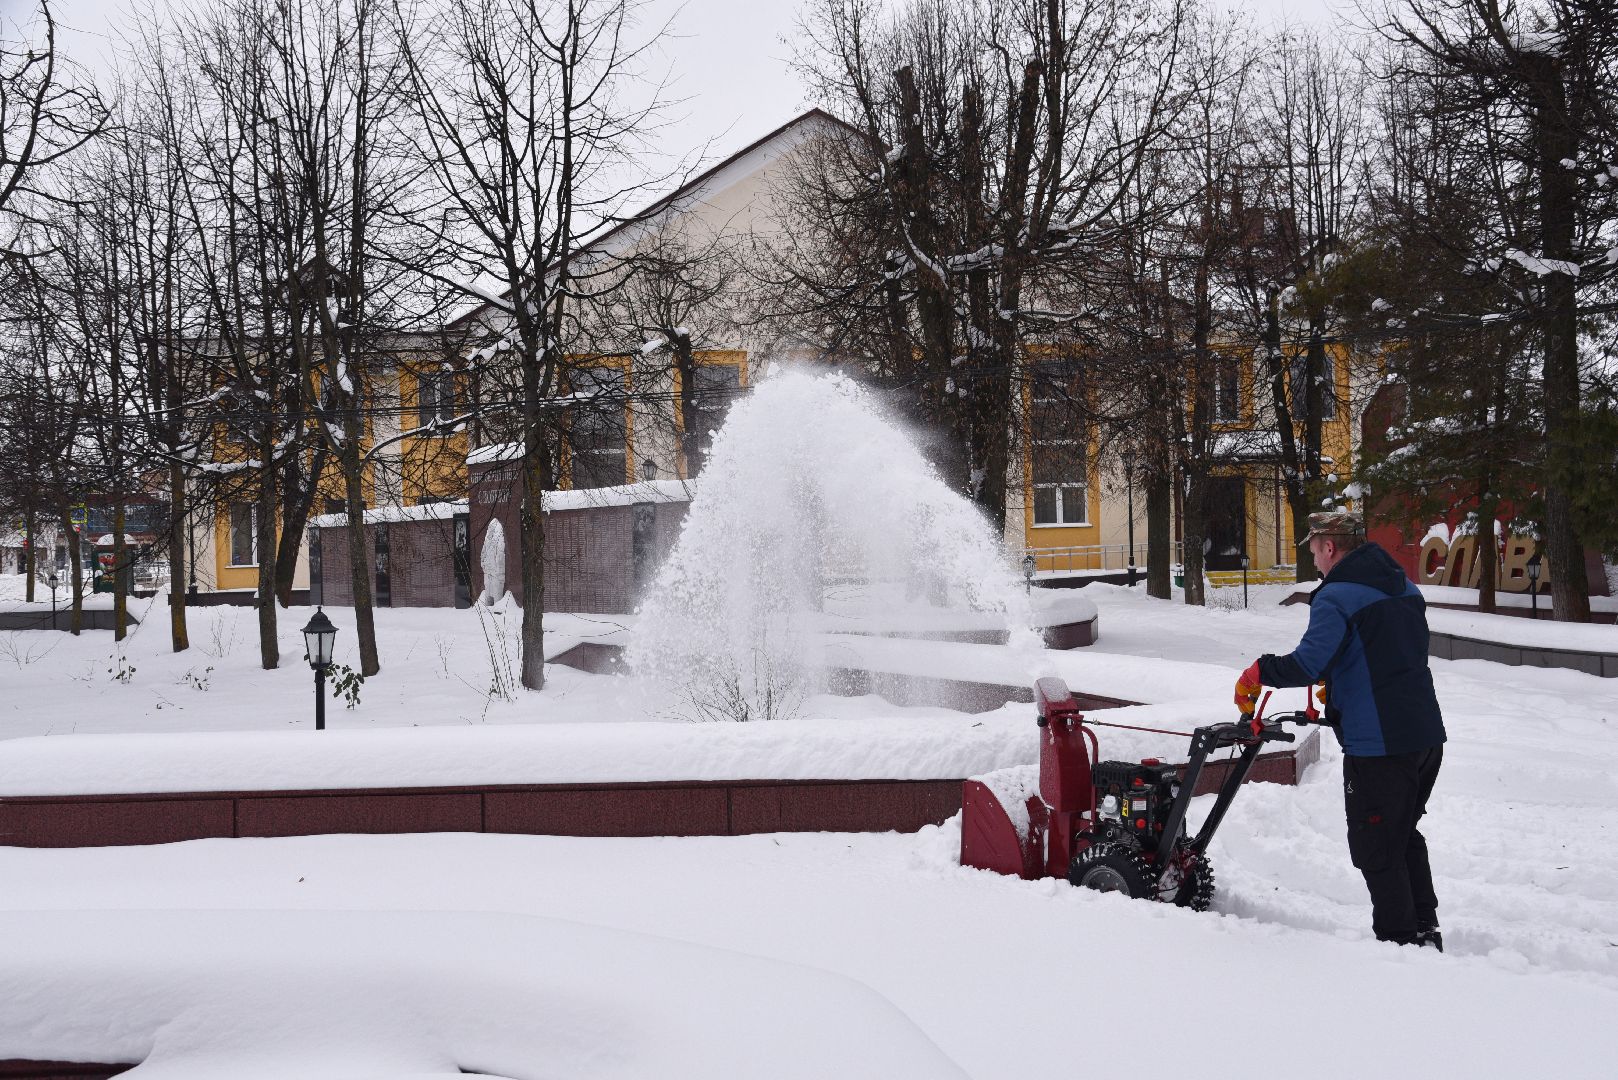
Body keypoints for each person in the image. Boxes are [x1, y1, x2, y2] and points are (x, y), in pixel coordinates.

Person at [1234, 511, 1447, 950]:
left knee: (1376, 845)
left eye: (1314, 551)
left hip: (1380, 743)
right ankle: (1425, 930)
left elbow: (1307, 663)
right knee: (1402, 833)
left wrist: (1259, 671)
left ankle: (1401, 944)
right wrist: (1340, 686)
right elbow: (1387, 656)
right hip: (1425, 734)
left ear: (1329, 547)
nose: (1314, 561)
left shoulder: (1336, 596)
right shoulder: (1405, 587)